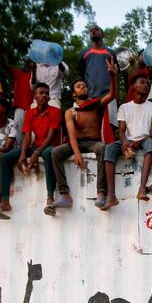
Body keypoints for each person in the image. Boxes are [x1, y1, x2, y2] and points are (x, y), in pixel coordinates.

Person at [50, 60, 117, 213]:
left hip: (93, 142)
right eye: (79, 86)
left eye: (84, 85)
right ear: (74, 93)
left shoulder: (95, 104)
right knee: (55, 152)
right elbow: (71, 133)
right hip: (76, 143)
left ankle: (101, 192)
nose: (83, 87)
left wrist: (113, 77)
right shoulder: (70, 112)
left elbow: (112, 95)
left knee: (102, 148)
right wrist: (77, 153)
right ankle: (65, 194)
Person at [0, 83, 61, 220]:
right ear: (34, 96)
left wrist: (35, 153)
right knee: (4, 158)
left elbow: (51, 136)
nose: (44, 96)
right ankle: (4, 201)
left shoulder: (55, 111)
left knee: (47, 153)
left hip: (50, 146)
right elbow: (27, 135)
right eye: (41, 93)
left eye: (46, 93)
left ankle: (50, 198)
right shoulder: (29, 113)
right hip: (35, 146)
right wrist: (23, 154)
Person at [100, 75, 152, 210]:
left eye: (147, 83)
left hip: (145, 139)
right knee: (110, 148)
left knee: (151, 143)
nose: (146, 85)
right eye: (142, 82)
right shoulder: (124, 107)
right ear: (133, 86)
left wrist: (140, 141)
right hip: (129, 140)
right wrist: (125, 142)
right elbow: (121, 131)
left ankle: (142, 189)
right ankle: (111, 196)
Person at [78, 25, 120, 130]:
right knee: (92, 128)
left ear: (102, 34)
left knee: (110, 128)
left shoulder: (111, 53)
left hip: (109, 96)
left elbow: (115, 75)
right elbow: (81, 75)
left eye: (96, 29)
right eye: (91, 30)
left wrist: (116, 95)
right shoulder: (84, 53)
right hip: (90, 98)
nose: (93, 31)